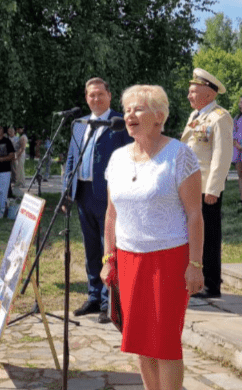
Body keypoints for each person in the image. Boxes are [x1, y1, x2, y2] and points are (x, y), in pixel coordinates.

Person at [100, 84, 204, 390]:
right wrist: (108, 258)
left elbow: (195, 215)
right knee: (141, 342)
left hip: (169, 260)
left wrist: (195, 264)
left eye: (138, 108)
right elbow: (111, 215)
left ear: (158, 116)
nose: (129, 114)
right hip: (129, 260)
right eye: (127, 109)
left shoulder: (179, 155)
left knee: (165, 343)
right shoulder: (117, 158)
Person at [64, 77, 132, 323]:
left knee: (109, 250)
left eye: (100, 94)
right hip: (83, 193)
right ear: (86, 98)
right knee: (91, 248)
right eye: (91, 95)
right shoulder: (79, 125)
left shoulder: (120, 123)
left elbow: (131, 156)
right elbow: (71, 159)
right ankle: (93, 296)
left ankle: (109, 301)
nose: (95, 99)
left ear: (109, 95)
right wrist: (66, 191)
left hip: (109, 197)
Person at [181, 68, 233, 299]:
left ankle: (212, 284)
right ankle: (193, 280)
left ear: (209, 95)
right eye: (190, 91)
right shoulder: (195, 117)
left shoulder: (220, 117)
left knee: (209, 236)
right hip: (189, 187)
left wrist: (213, 189)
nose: (189, 96)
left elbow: (222, 156)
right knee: (190, 235)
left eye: (194, 91)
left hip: (205, 189)